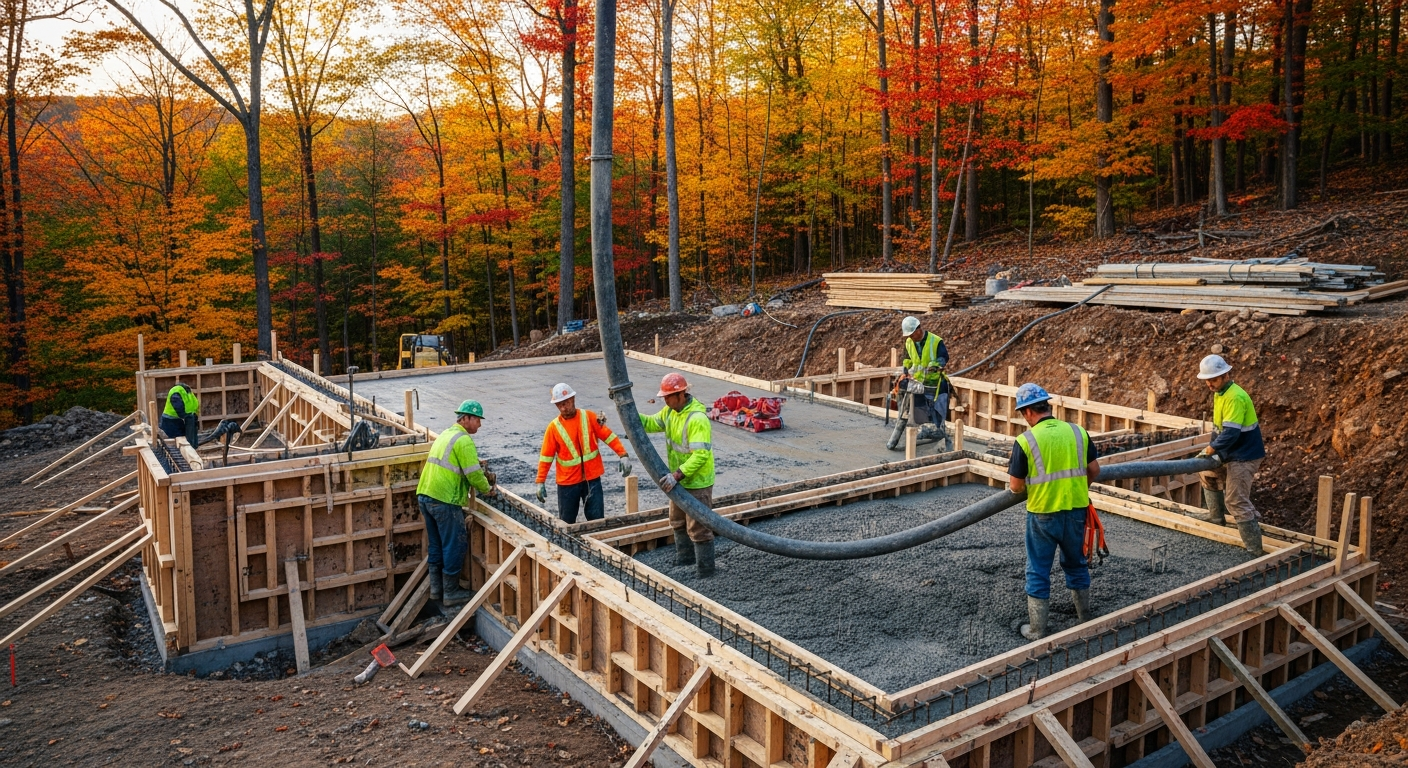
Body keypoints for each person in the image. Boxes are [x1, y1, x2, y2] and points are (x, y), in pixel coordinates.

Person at [1007, 383, 1100, 640]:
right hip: (1076, 510)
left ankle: (1037, 630)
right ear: (1047, 406)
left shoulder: (1026, 441)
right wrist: (1076, 489)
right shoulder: (1077, 431)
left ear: (1027, 412)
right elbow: (1094, 470)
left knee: (1038, 569)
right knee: (1076, 564)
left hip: (1043, 514)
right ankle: (1084, 619)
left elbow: (1015, 486)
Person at [415, 400, 496, 607]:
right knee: (455, 544)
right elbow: (474, 475)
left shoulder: (446, 435)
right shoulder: (464, 440)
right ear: (466, 419)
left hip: (425, 496)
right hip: (444, 499)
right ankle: (451, 593)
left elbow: (454, 463)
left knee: (437, 544)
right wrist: (488, 489)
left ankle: (436, 590)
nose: (479, 424)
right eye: (477, 420)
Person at [640, 372, 717, 577]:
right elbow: (649, 424)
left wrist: (677, 475)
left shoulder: (697, 419)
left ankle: (706, 572)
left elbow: (700, 456)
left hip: (697, 482)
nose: (664, 400)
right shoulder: (670, 412)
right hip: (679, 480)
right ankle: (685, 562)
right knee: (677, 521)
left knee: (699, 527)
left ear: (681, 394)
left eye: (667, 396)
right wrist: (627, 412)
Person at [1195, 355, 1266, 555]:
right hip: (1231, 450)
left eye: (1213, 379)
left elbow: (1231, 433)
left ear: (1226, 375)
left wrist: (1211, 449)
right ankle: (1216, 518)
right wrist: (1213, 452)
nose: (1209, 383)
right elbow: (1220, 429)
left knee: (1236, 500)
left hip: (1245, 454)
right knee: (1206, 472)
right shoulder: (1220, 393)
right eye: (1207, 380)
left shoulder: (1235, 396)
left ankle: (1255, 550)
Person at [536, 383, 632, 524]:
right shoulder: (553, 428)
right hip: (567, 483)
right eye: (559, 404)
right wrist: (540, 481)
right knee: (566, 523)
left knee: (597, 521)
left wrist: (623, 455)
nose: (563, 407)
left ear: (573, 399)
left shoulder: (589, 417)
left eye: (566, 402)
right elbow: (546, 457)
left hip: (592, 479)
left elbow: (608, 436)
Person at [901, 316, 951, 436]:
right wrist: (906, 371)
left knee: (937, 407)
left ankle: (938, 430)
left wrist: (935, 365)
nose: (911, 338)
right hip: (918, 382)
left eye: (912, 335)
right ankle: (924, 429)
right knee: (919, 408)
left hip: (935, 382)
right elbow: (907, 359)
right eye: (909, 336)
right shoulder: (909, 342)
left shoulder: (935, 341)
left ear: (919, 329)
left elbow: (943, 358)